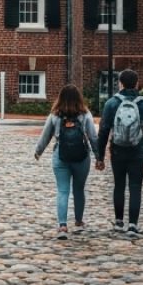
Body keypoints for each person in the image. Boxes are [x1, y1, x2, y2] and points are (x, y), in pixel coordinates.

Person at [96, 68, 143, 237]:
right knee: (136, 187)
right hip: (138, 151)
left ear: (120, 83)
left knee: (119, 185)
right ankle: (132, 224)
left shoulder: (112, 103)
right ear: (137, 83)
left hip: (118, 150)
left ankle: (118, 222)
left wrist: (100, 156)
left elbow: (103, 131)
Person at [34, 84, 99, 240]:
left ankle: (62, 225)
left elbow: (46, 135)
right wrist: (99, 156)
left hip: (60, 156)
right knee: (79, 189)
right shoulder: (85, 114)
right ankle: (78, 220)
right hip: (82, 157)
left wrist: (38, 151)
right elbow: (93, 137)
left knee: (63, 190)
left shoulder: (55, 115)